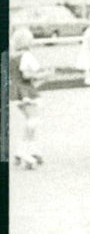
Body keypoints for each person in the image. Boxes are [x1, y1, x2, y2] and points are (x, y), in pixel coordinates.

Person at [9, 27, 45, 169]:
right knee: (33, 120)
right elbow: (27, 75)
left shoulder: (13, 56)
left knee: (31, 119)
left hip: (16, 92)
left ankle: (30, 149)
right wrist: (43, 75)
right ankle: (23, 150)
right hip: (25, 91)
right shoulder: (27, 55)